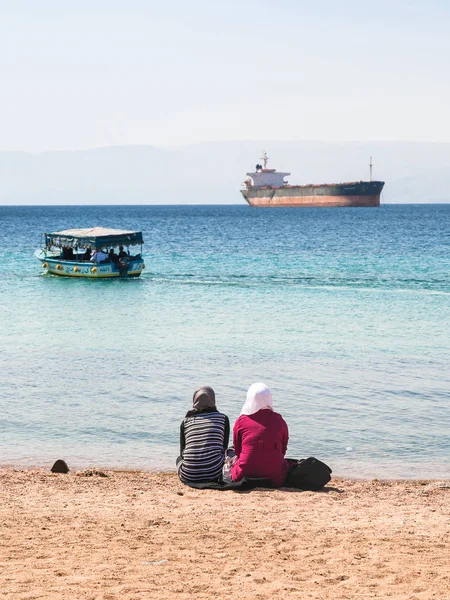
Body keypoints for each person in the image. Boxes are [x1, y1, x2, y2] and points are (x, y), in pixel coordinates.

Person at [230, 382, 289, 487]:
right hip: (275, 477)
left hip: (243, 474)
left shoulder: (241, 421)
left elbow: (238, 451)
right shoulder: (279, 420)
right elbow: (283, 450)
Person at [177, 386, 230, 484]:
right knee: (230, 451)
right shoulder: (223, 418)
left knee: (178, 459)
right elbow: (224, 448)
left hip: (188, 475)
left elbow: (182, 452)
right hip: (214, 473)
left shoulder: (186, 421)